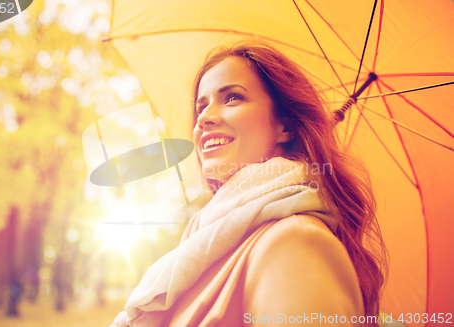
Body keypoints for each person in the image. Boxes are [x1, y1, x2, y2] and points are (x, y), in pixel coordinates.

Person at [110, 39, 388, 327]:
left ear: (286, 126)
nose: (204, 118)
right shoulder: (205, 244)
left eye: (232, 98)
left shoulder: (296, 244)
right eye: (201, 106)